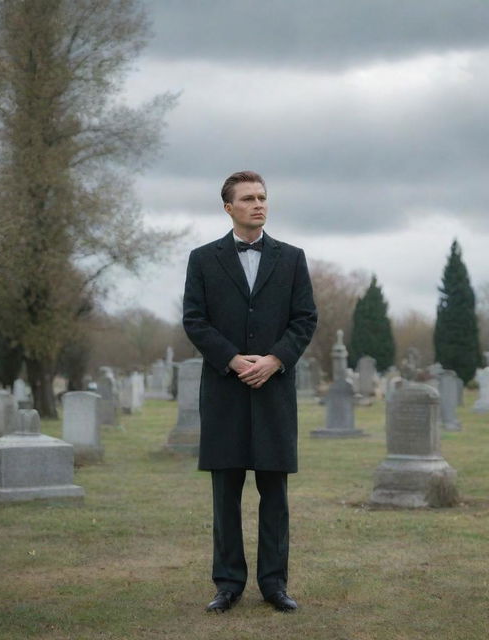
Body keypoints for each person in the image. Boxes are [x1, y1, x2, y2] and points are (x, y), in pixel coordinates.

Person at [182, 170, 317, 613]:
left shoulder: (293, 258)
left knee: (274, 496)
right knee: (226, 496)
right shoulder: (203, 259)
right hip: (225, 392)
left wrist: (275, 359)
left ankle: (274, 584)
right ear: (228, 208)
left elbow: (304, 319)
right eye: (248, 198)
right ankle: (228, 584)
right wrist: (233, 359)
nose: (258, 204)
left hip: (274, 392)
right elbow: (195, 320)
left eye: (262, 197)